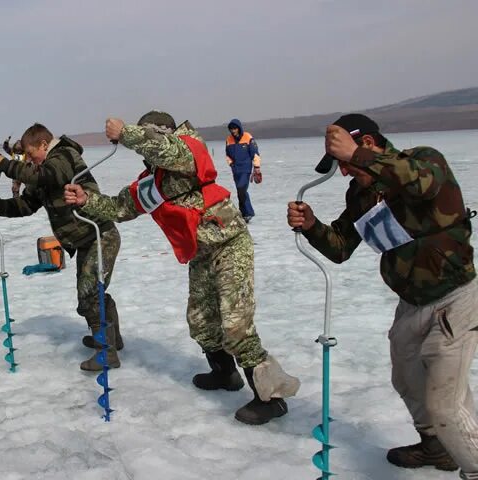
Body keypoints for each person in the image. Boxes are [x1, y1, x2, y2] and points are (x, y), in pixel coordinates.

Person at [64, 112, 299, 424]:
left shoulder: (189, 150)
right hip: (201, 253)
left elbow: (167, 149)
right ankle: (225, 374)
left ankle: (272, 399)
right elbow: (120, 207)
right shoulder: (153, 182)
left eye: (152, 134)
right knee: (200, 321)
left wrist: (127, 133)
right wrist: (86, 200)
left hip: (230, 244)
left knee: (236, 325)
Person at [287, 113, 477, 477]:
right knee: (407, 378)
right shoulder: (361, 193)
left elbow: (422, 186)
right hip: (412, 303)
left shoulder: (425, 160)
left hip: (456, 299)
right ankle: (436, 446)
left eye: (344, 162)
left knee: (445, 404)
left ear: (368, 144)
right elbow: (341, 247)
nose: (343, 172)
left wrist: (358, 157)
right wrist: (311, 226)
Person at [0, 123, 123, 371]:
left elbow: (48, 176)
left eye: (32, 154)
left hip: (100, 235)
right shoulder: (40, 170)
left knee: (89, 296)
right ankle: (111, 339)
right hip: (84, 240)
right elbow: (26, 204)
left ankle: (106, 353)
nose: (30, 160)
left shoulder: (64, 156)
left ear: (44, 145)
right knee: (91, 294)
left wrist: (7, 166)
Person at [225, 119, 262, 223]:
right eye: (231, 129)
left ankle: (248, 213)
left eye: (235, 128)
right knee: (240, 192)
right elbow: (227, 155)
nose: (233, 131)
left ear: (239, 128)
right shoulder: (229, 140)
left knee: (241, 191)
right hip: (235, 170)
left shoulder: (248, 137)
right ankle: (244, 214)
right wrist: (231, 164)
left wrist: (257, 167)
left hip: (246, 169)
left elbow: (255, 153)